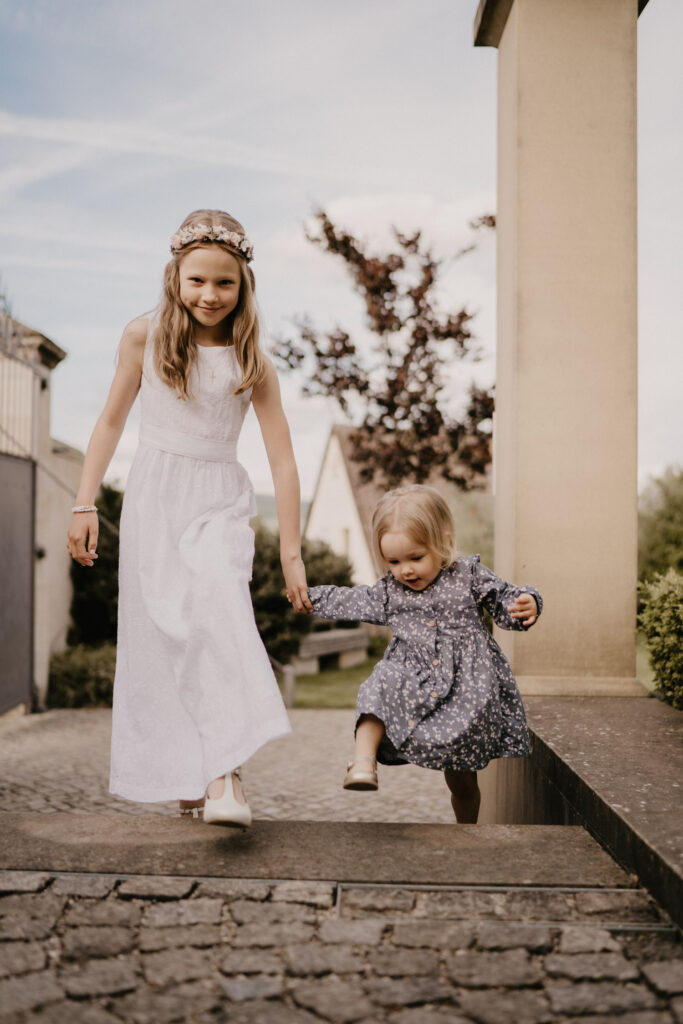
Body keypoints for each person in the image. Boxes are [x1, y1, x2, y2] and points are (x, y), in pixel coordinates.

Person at [67, 209, 312, 827]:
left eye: (224, 283)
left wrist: (291, 552)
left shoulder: (252, 357)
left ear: (244, 286)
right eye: (197, 280)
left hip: (220, 499)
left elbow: (282, 461)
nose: (209, 295)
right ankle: (186, 769)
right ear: (175, 276)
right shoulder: (143, 338)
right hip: (155, 497)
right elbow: (110, 421)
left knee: (215, 610)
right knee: (165, 634)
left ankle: (223, 774)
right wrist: (84, 502)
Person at [306, 484, 542, 823]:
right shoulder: (390, 591)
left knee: (461, 779)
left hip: (467, 693)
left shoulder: (468, 576)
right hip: (412, 683)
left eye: (416, 558)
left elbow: (506, 600)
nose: (406, 570)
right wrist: (308, 597)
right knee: (380, 682)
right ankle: (362, 762)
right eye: (394, 561)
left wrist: (525, 603)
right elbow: (348, 599)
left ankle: (467, 827)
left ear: (443, 542)